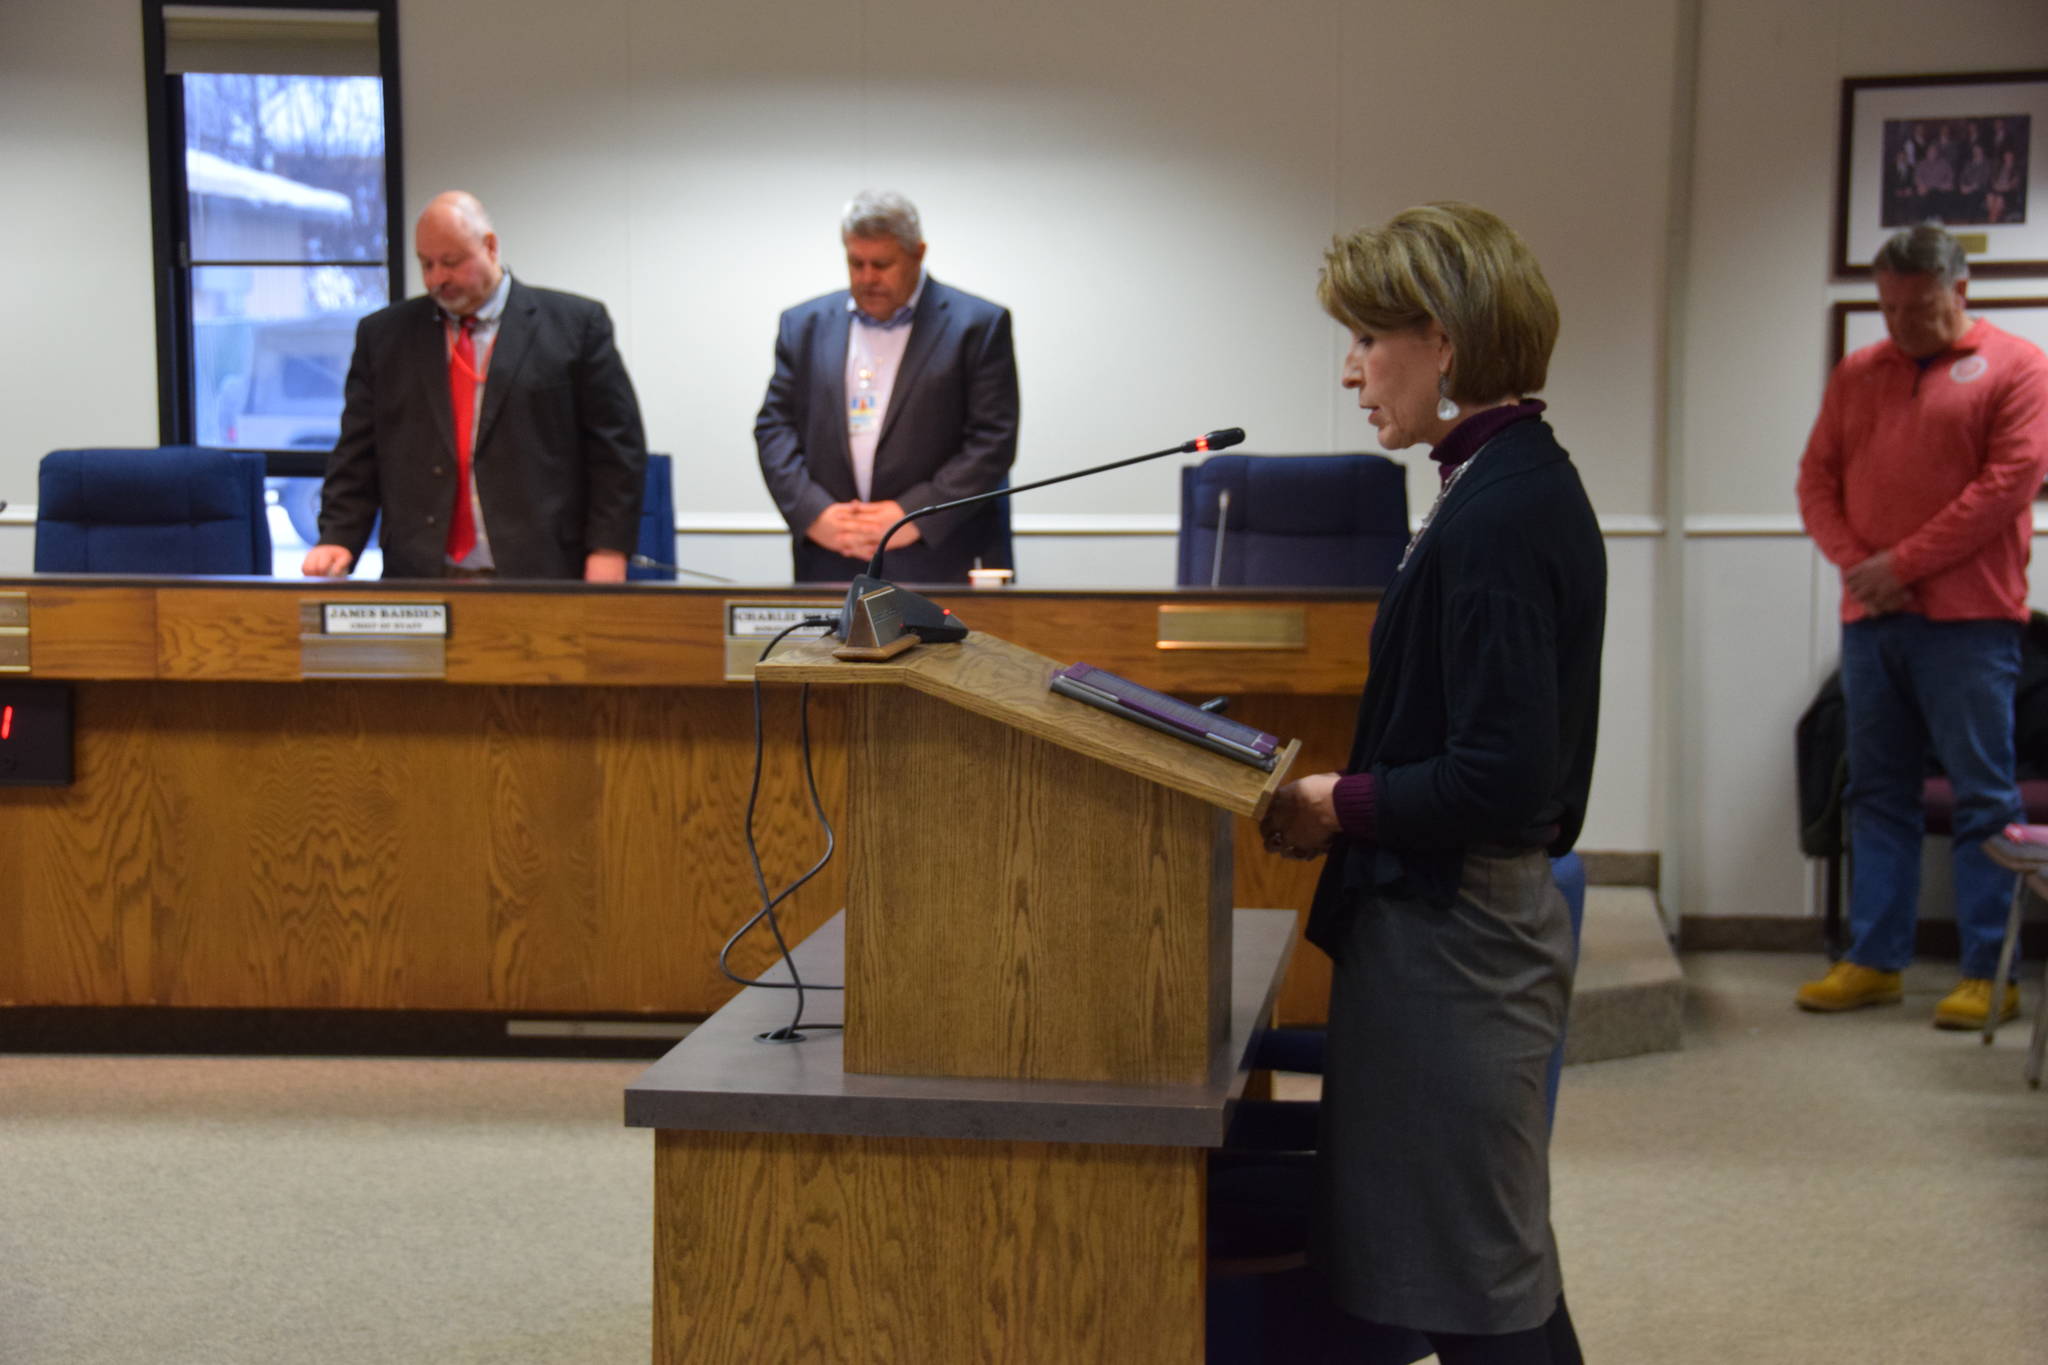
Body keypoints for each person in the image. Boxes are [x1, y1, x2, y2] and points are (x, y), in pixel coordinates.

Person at [1258, 202, 1604, 1364]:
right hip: (1436, 928)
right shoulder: (1491, 479)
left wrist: (1332, 803)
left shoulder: (1502, 510)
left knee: (1481, 1290)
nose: (1349, 370)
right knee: (1438, 1273)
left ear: (1443, 339)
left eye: (1366, 337)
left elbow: (1501, 776)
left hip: (1459, 940)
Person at [1794, 224, 2048, 1026]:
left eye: (1919, 307)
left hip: (1971, 624)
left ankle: (1989, 971)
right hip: (1872, 622)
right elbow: (1815, 480)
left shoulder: (2019, 367)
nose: (1899, 324)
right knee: (1876, 790)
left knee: (1983, 795)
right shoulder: (1859, 372)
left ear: (1961, 291)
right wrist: (1860, 567)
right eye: (1889, 307)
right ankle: (1874, 958)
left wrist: (1897, 565)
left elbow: (2005, 488)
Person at [303, 191, 648, 580]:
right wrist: (338, 537)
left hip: (542, 566)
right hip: (420, 570)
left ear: (490, 246)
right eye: (426, 264)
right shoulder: (385, 336)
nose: (437, 279)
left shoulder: (575, 326)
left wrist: (608, 548)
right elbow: (358, 452)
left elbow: (616, 450)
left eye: (451, 262)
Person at [753, 191, 1019, 583]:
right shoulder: (804, 326)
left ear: (918, 253)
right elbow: (774, 428)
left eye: (882, 264)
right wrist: (813, 513)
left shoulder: (977, 325)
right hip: (832, 556)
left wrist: (913, 513)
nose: (866, 277)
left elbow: (992, 441)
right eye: (855, 263)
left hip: (937, 556)